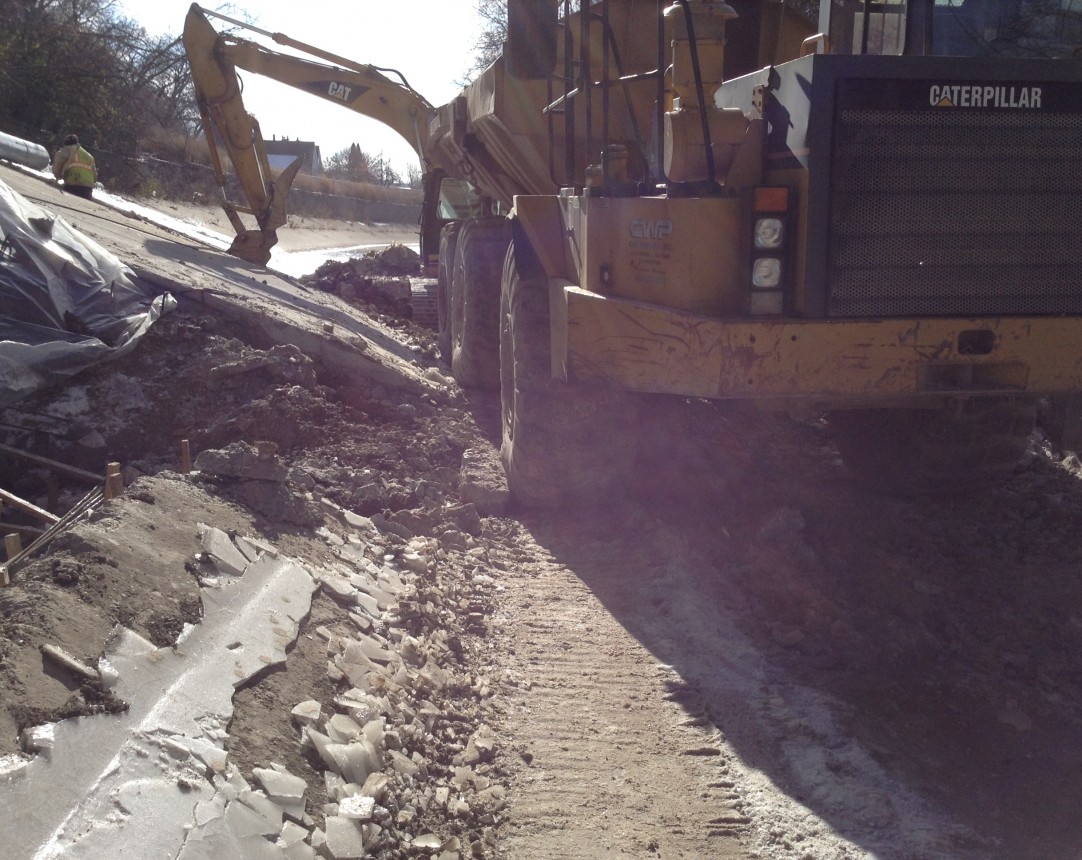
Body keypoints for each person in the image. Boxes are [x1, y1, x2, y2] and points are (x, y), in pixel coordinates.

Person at [51, 134, 97, 199]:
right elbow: (95, 177)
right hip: (88, 190)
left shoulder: (67, 150)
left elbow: (57, 163)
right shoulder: (89, 156)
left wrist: (57, 175)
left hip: (73, 186)